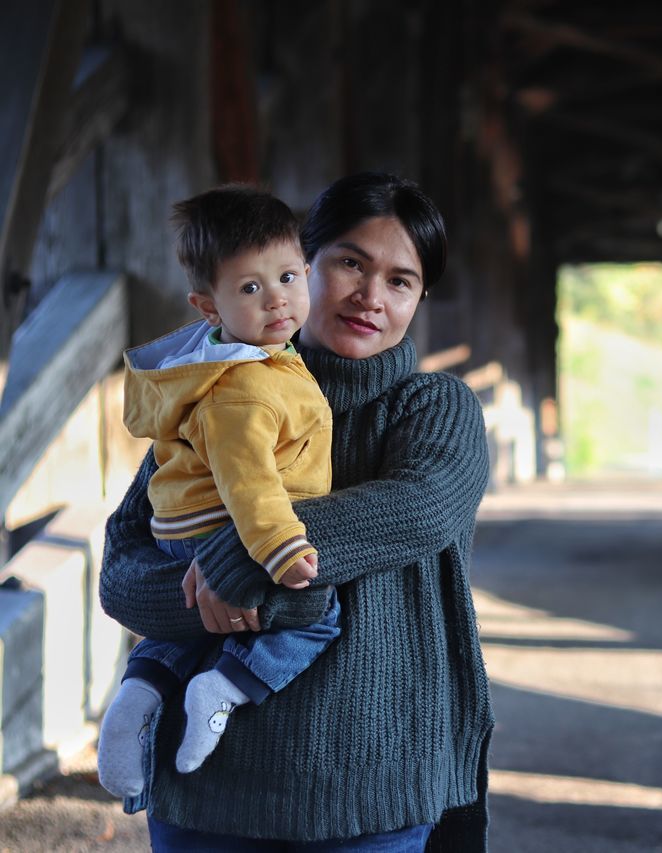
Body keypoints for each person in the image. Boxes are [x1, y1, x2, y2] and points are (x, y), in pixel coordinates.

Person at [99, 173, 493, 851]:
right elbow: (123, 571)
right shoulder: (213, 393)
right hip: (206, 790)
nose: (371, 296)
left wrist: (239, 563)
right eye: (350, 263)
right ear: (301, 264)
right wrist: (203, 598)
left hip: (371, 793)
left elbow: (418, 506)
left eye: (401, 281)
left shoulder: (434, 406)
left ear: (419, 299)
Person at [97, 186, 340, 800]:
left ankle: (141, 690)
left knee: (190, 628)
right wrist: (281, 547)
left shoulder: (231, 362)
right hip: (226, 526)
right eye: (251, 288)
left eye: (287, 276)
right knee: (318, 615)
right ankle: (227, 687)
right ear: (208, 306)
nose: (277, 299)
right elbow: (248, 479)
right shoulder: (245, 384)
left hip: (182, 531)